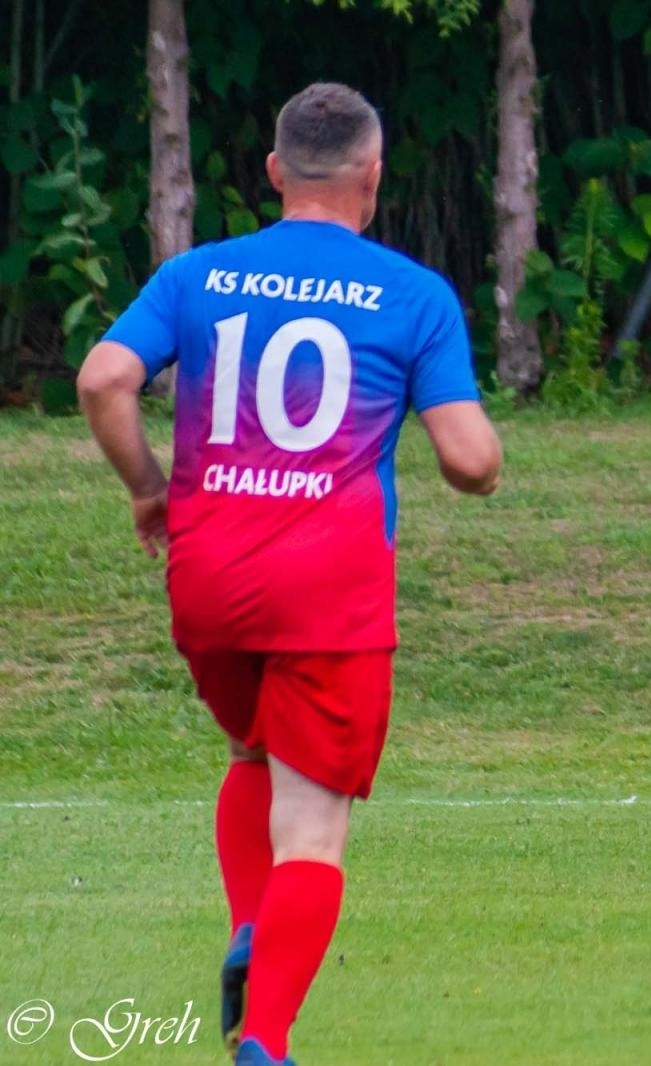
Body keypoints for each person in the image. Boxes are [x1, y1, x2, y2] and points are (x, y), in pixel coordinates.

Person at [77, 82, 502, 1064]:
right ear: (373, 176)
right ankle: (263, 1038)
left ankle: (246, 922)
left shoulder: (198, 274)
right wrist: (462, 449)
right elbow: (472, 460)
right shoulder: (409, 294)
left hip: (208, 578)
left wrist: (149, 486)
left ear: (275, 173)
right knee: (312, 826)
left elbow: (103, 377)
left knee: (251, 752)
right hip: (329, 591)